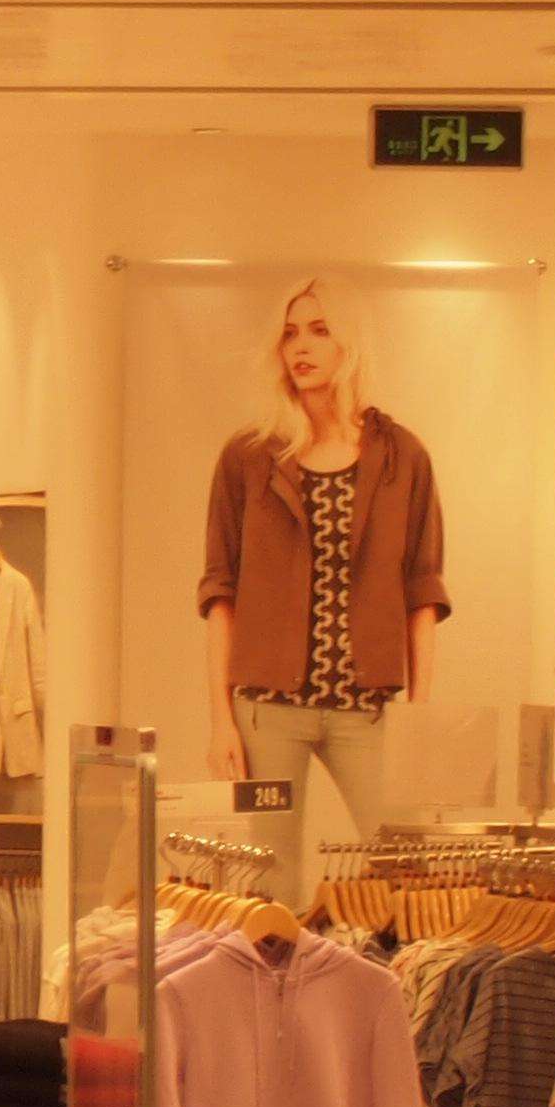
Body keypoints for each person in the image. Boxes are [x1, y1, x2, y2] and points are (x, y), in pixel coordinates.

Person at [196, 276, 445, 883]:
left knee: (405, 863)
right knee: (272, 875)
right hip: (267, 709)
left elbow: (423, 590)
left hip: (366, 708)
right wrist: (221, 719)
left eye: (319, 330)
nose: (301, 347)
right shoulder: (249, 456)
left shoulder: (402, 456)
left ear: (349, 344)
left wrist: (419, 716)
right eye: (289, 334)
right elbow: (220, 591)